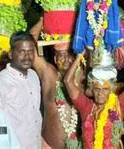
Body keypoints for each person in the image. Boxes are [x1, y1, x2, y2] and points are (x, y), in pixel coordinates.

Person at [65, 50, 124, 149]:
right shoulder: (86, 106)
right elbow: (67, 81)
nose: (100, 93)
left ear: (111, 90)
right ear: (92, 89)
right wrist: (80, 56)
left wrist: (122, 51)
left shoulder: (118, 105)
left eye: (105, 89)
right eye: (97, 89)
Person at [30, 17, 85, 149]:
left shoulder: (84, 76)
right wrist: (47, 18)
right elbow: (29, 40)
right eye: (61, 54)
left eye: (70, 54)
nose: (67, 59)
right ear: (55, 58)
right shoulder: (49, 74)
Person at [0, 31, 42, 149]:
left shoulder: (33, 76)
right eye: (22, 52)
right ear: (11, 54)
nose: (27, 56)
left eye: (30, 51)